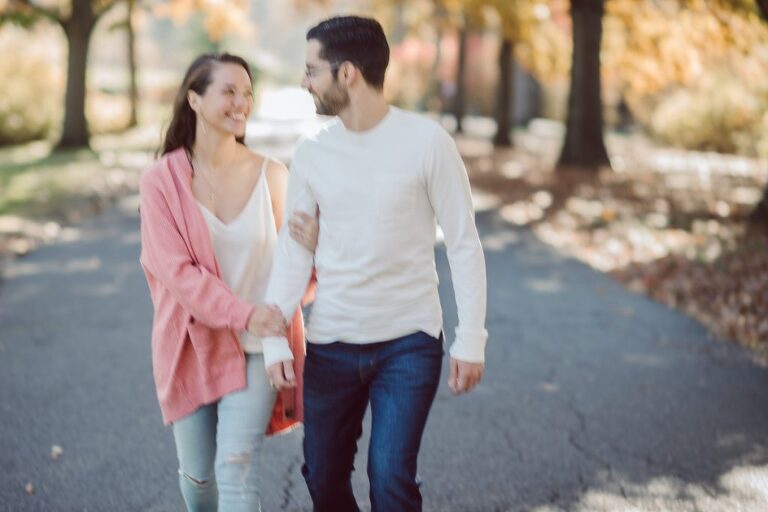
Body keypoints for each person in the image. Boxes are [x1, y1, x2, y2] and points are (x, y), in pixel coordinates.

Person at [261, 16, 488, 512]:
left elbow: (464, 243)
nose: (304, 81)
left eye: (311, 69)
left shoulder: (427, 143)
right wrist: (274, 334)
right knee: (322, 478)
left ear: (347, 74)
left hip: (408, 344)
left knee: (390, 480)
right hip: (332, 346)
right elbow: (295, 250)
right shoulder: (313, 153)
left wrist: (471, 338)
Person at [137, 53, 318, 512]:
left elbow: (300, 267)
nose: (242, 103)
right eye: (229, 91)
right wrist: (246, 313)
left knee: (236, 468)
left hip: (260, 349)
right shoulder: (160, 182)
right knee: (199, 481)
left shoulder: (273, 175)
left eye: (248, 93)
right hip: (191, 346)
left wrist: (317, 252)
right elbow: (178, 275)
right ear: (194, 99)